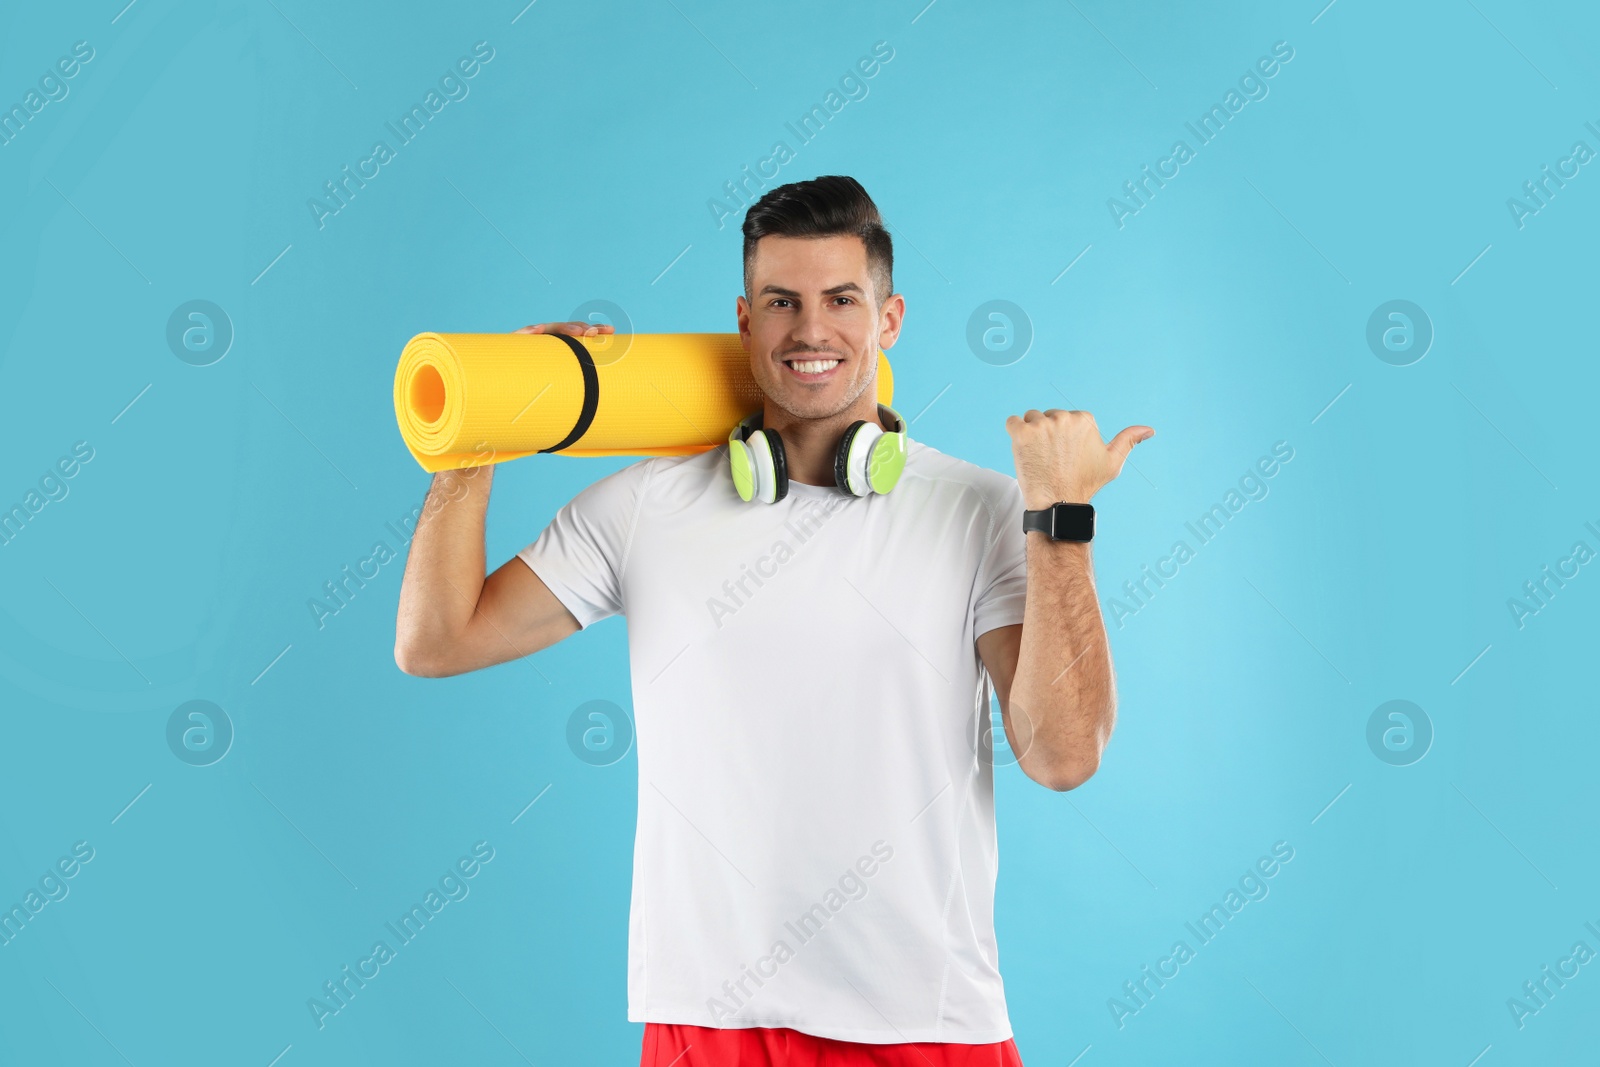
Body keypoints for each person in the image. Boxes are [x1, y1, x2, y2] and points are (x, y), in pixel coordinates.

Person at [394, 175, 1154, 1066]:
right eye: (781, 302)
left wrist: (1060, 521)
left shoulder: (980, 509)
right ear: (745, 321)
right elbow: (436, 640)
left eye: (842, 299)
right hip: (704, 1024)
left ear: (890, 318)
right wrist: (481, 435)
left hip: (922, 1027)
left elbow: (1063, 756)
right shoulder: (644, 506)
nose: (811, 330)